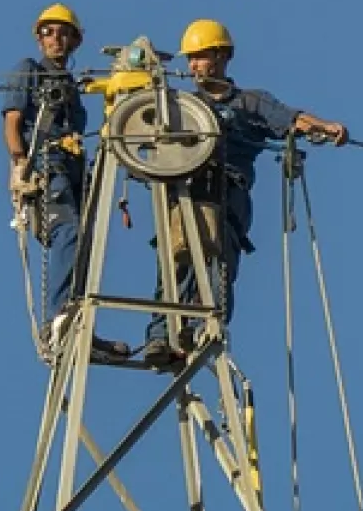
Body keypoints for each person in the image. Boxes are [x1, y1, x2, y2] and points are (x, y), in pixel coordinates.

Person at [143, 19, 349, 369]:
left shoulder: (249, 102)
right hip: (187, 192)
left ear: (222, 56)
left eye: (201, 57)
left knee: (217, 262)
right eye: (190, 59)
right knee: (176, 263)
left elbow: (291, 119)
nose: (193, 66)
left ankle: (203, 327)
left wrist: (325, 127)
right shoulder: (182, 106)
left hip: (227, 192)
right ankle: (162, 337)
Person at [3, 3, 129, 361]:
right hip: (47, 163)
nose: (55, 38)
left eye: (63, 32)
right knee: (68, 232)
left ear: (75, 40)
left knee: (86, 246)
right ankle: (59, 321)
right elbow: (13, 121)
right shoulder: (29, 71)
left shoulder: (73, 85)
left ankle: (81, 327)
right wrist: (19, 163)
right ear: (39, 37)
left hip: (74, 169)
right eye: (49, 31)